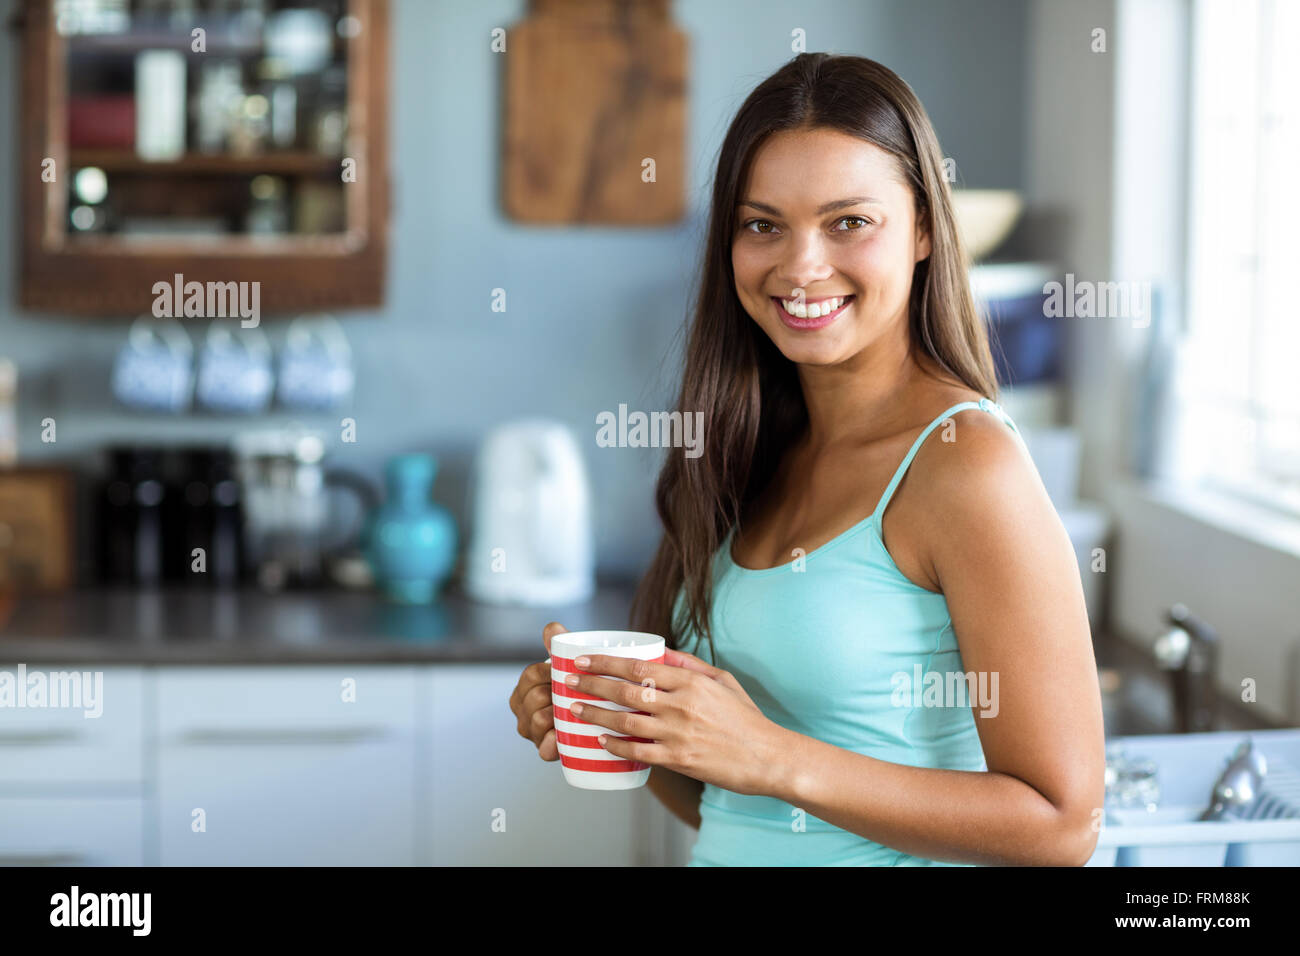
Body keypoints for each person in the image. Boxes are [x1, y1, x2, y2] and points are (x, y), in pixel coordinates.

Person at [509, 52, 1104, 866]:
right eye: (763, 225)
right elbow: (725, 799)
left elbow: (1062, 825)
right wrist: (627, 721)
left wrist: (770, 754)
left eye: (849, 222)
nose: (800, 266)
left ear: (926, 228)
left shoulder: (967, 466)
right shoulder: (746, 448)